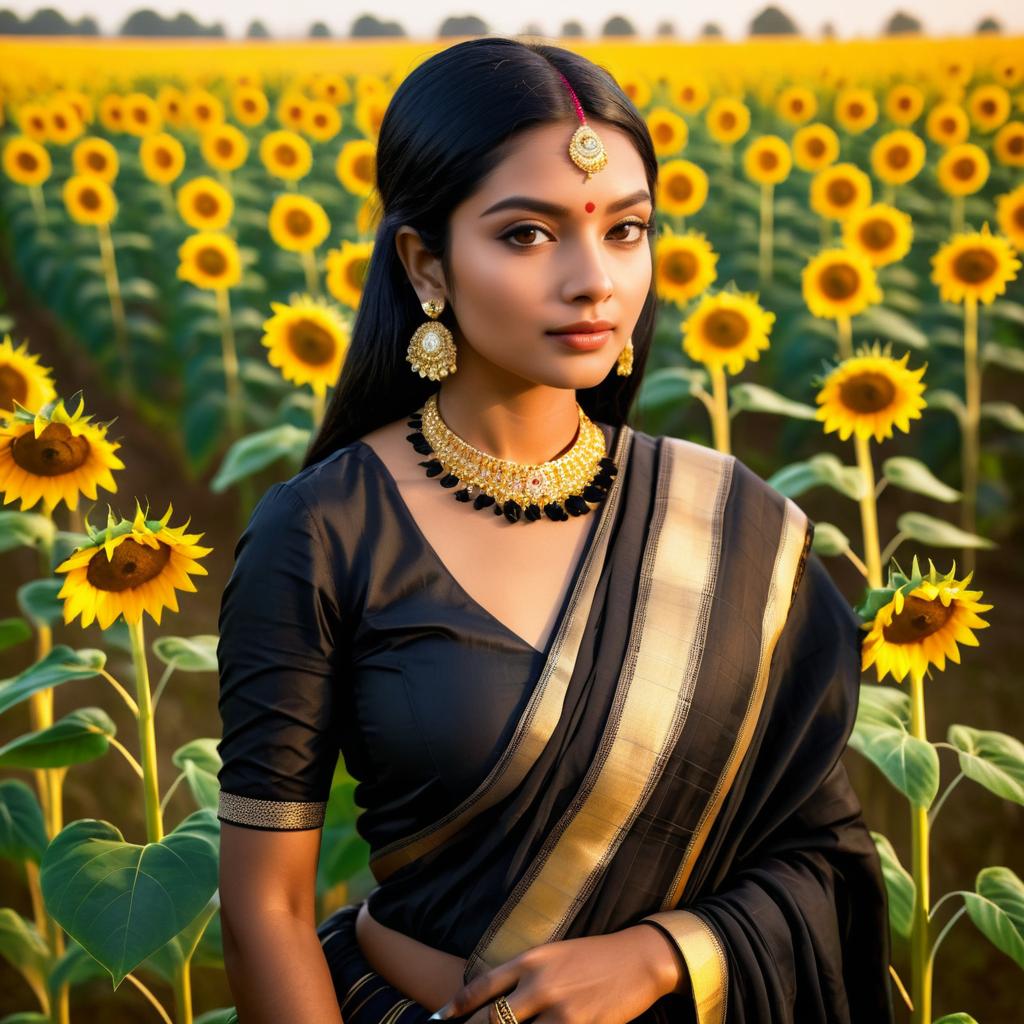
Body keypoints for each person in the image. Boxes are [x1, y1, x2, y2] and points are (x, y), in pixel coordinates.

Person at [215, 36, 894, 1024]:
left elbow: (820, 858)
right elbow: (264, 906)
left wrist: (666, 954)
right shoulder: (322, 531)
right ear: (425, 261)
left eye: (625, 230)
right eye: (528, 234)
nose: (595, 281)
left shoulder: (731, 524)